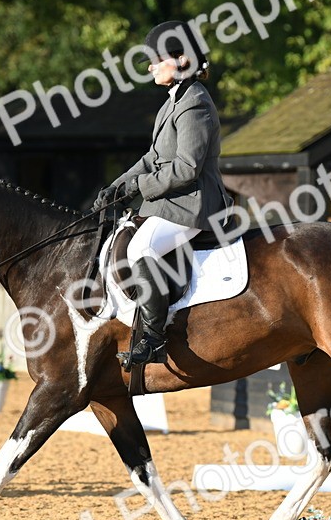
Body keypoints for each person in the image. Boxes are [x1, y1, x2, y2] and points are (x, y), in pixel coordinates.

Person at [94, 21, 233, 370]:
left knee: (142, 248)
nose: (151, 66)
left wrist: (138, 188)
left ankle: (153, 337)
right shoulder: (173, 102)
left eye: (157, 59)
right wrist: (117, 187)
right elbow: (151, 160)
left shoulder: (195, 104)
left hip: (196, 204)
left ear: (182, 59)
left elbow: (186, 168)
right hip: (174, 201)